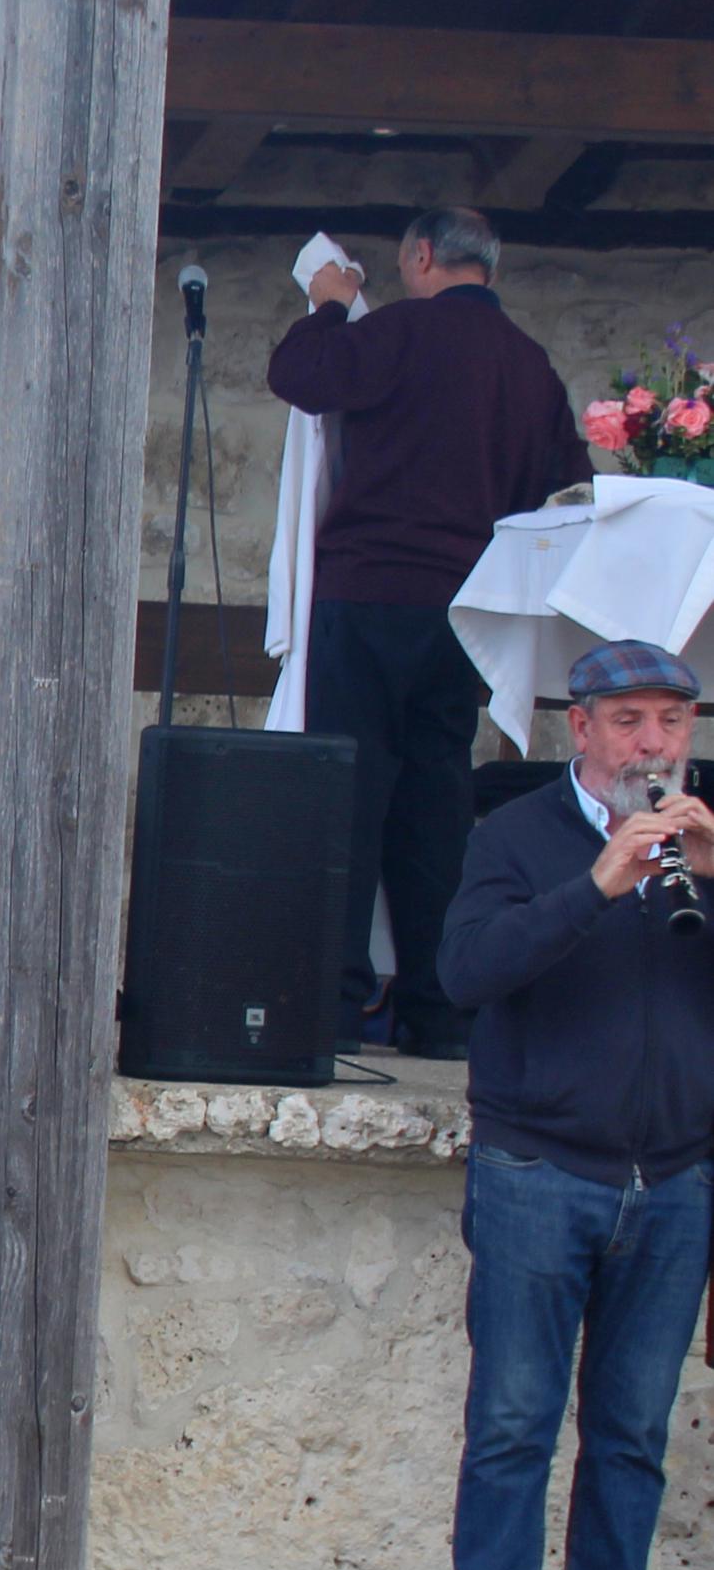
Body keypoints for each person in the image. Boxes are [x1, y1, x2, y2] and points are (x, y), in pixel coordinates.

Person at [428, 639, 714, 1570]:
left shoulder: (700, 838)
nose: (652, 743)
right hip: (539, 1169)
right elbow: (465, 972)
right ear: (579, 729)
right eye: (629, 721)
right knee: (510, 1419)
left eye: (671, 722)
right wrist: (597, 884)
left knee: (632, 1428)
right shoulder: (516, 836)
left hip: (675, 1178)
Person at [273, 208, 587, 1059]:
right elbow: (571, 488)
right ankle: (435, 1009)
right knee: (435, 808)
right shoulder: (529, 367)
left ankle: (333, 1010)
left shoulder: (400, 333)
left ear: (418, 256)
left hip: (368, 592)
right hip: (466, 614)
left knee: (349, 797)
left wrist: (330, 302)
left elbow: (298, 373)